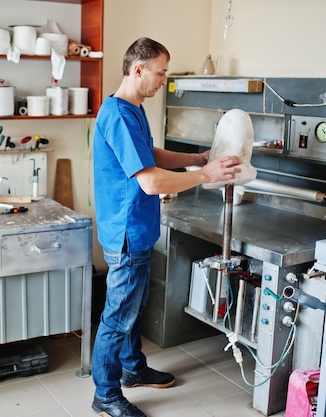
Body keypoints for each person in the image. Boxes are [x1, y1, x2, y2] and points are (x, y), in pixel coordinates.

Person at [91, 37, 242, 417]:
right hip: (126, 232)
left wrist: (195, 158)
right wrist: (205, 174)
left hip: (138, 228)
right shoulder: (119, 114)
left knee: (133, 308)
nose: (164, 81)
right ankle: (105, 394)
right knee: (117, 316)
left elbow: (150, 156)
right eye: (160, 73)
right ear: (138, 69)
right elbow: (151, 182)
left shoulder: (134, 109)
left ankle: (132, 369)